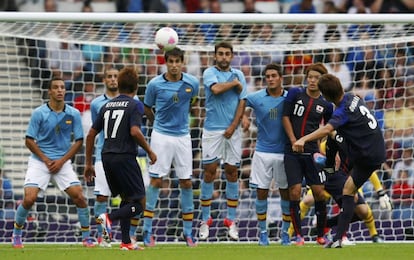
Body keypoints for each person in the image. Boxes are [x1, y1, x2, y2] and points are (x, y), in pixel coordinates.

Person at [292, 73, 386, 248]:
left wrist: (303, 139)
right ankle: (329, 231)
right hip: (372, 151)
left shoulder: (341, 115)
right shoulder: (353, 98)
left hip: (363, 157)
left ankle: (332, 232)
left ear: (326, 97)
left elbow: (328, 129)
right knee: (348, 196)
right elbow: (330, 132)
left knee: (351, 196)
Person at [12, 77, 95, 248]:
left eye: (62, 87)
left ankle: (87, 237)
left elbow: (79, 141)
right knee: (29, 199)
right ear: (49, 91)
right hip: (40, 162)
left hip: (62, 162)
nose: (59, 90)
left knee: (80, 197)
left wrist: (62, 161)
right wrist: (46, 159)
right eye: (56, 87)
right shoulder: (39, 113)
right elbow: (29, 140)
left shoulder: (73, 113)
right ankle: (16, 234)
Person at [84, 66, 156, 251]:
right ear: (136, 87)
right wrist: (149, 151)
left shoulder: (107, 105)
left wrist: (88, 164)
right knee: (139, 203)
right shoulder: (135, 105)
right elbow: (135, 131)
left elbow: (91, 135)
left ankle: (125, 242)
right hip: (124, 157)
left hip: (106, 157)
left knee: (127, 199)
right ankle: (109, 218)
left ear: (120, 85)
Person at [142, 47, 199, 247]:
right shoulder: (154, 84)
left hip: (183, 137)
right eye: (171, 61)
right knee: (156, 181)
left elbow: (193, 102)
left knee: (186, 182)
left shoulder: (192, 83)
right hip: (161, 136)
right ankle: (147, 232)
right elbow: (147, 107)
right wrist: (156, 123)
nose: (174, 65)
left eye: (178, 61)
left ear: (183, 62)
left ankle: (188, 233)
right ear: (166, 62)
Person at [288, 138, 388, 244]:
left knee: (363, 211)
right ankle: (289, 233)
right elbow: (316, 162)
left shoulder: (357, 148)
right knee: (307, 200)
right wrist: (312, 183)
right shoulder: (326, 145)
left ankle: (374, 235)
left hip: (348, 182)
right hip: (327, 180)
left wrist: (380, 191)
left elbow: (368, 170)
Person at [199, 41, 248, 241]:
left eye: (228, 54)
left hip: (232, 131)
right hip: (212, 131)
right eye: (221, 53)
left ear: (232, 56)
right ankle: (205, 221)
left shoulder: (240, 75)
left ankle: (231, 221)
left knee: (232, 172)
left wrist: (234, 125)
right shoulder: (209, 73)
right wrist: (234, 84)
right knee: (210, 172)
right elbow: (217, 89)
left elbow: (242, 101)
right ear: (215, 56)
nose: (224, 57)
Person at [282, 62, 333, 246]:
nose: (312, 80)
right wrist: (294, 139)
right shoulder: (295, 93)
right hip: (292, 151)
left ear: (322, 80)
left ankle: (321, 235)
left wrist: (321, 147)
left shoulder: (326, 104)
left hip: (312, 153)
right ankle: (299, 236)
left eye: (316, 78)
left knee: (319, 193)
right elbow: (285, 116)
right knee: (294, 192)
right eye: (310, 77)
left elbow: (328, 128)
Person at [244, 63, 291, 246]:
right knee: (261, 192)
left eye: (273, 75)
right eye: (268, 76)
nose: (270, 79)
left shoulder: (290, 98)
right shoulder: (256, 97)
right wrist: (244, 117)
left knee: (285, 194)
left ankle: (285, 233)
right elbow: (241, 102)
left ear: (280, 77)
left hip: (283, 153)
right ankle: (263, 233)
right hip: (262, 152)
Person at [86, 67, 120, 247]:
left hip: (124, 156)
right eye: (110, 76)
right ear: (104, 80)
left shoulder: (130, 100)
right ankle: (103, 235)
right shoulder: (96, 104)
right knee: (101, 197)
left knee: (131, 198)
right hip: (103, 155)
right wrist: (89, 161)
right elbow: (95, 131)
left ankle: (129, 235)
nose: (113, 79)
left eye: (116, 76)